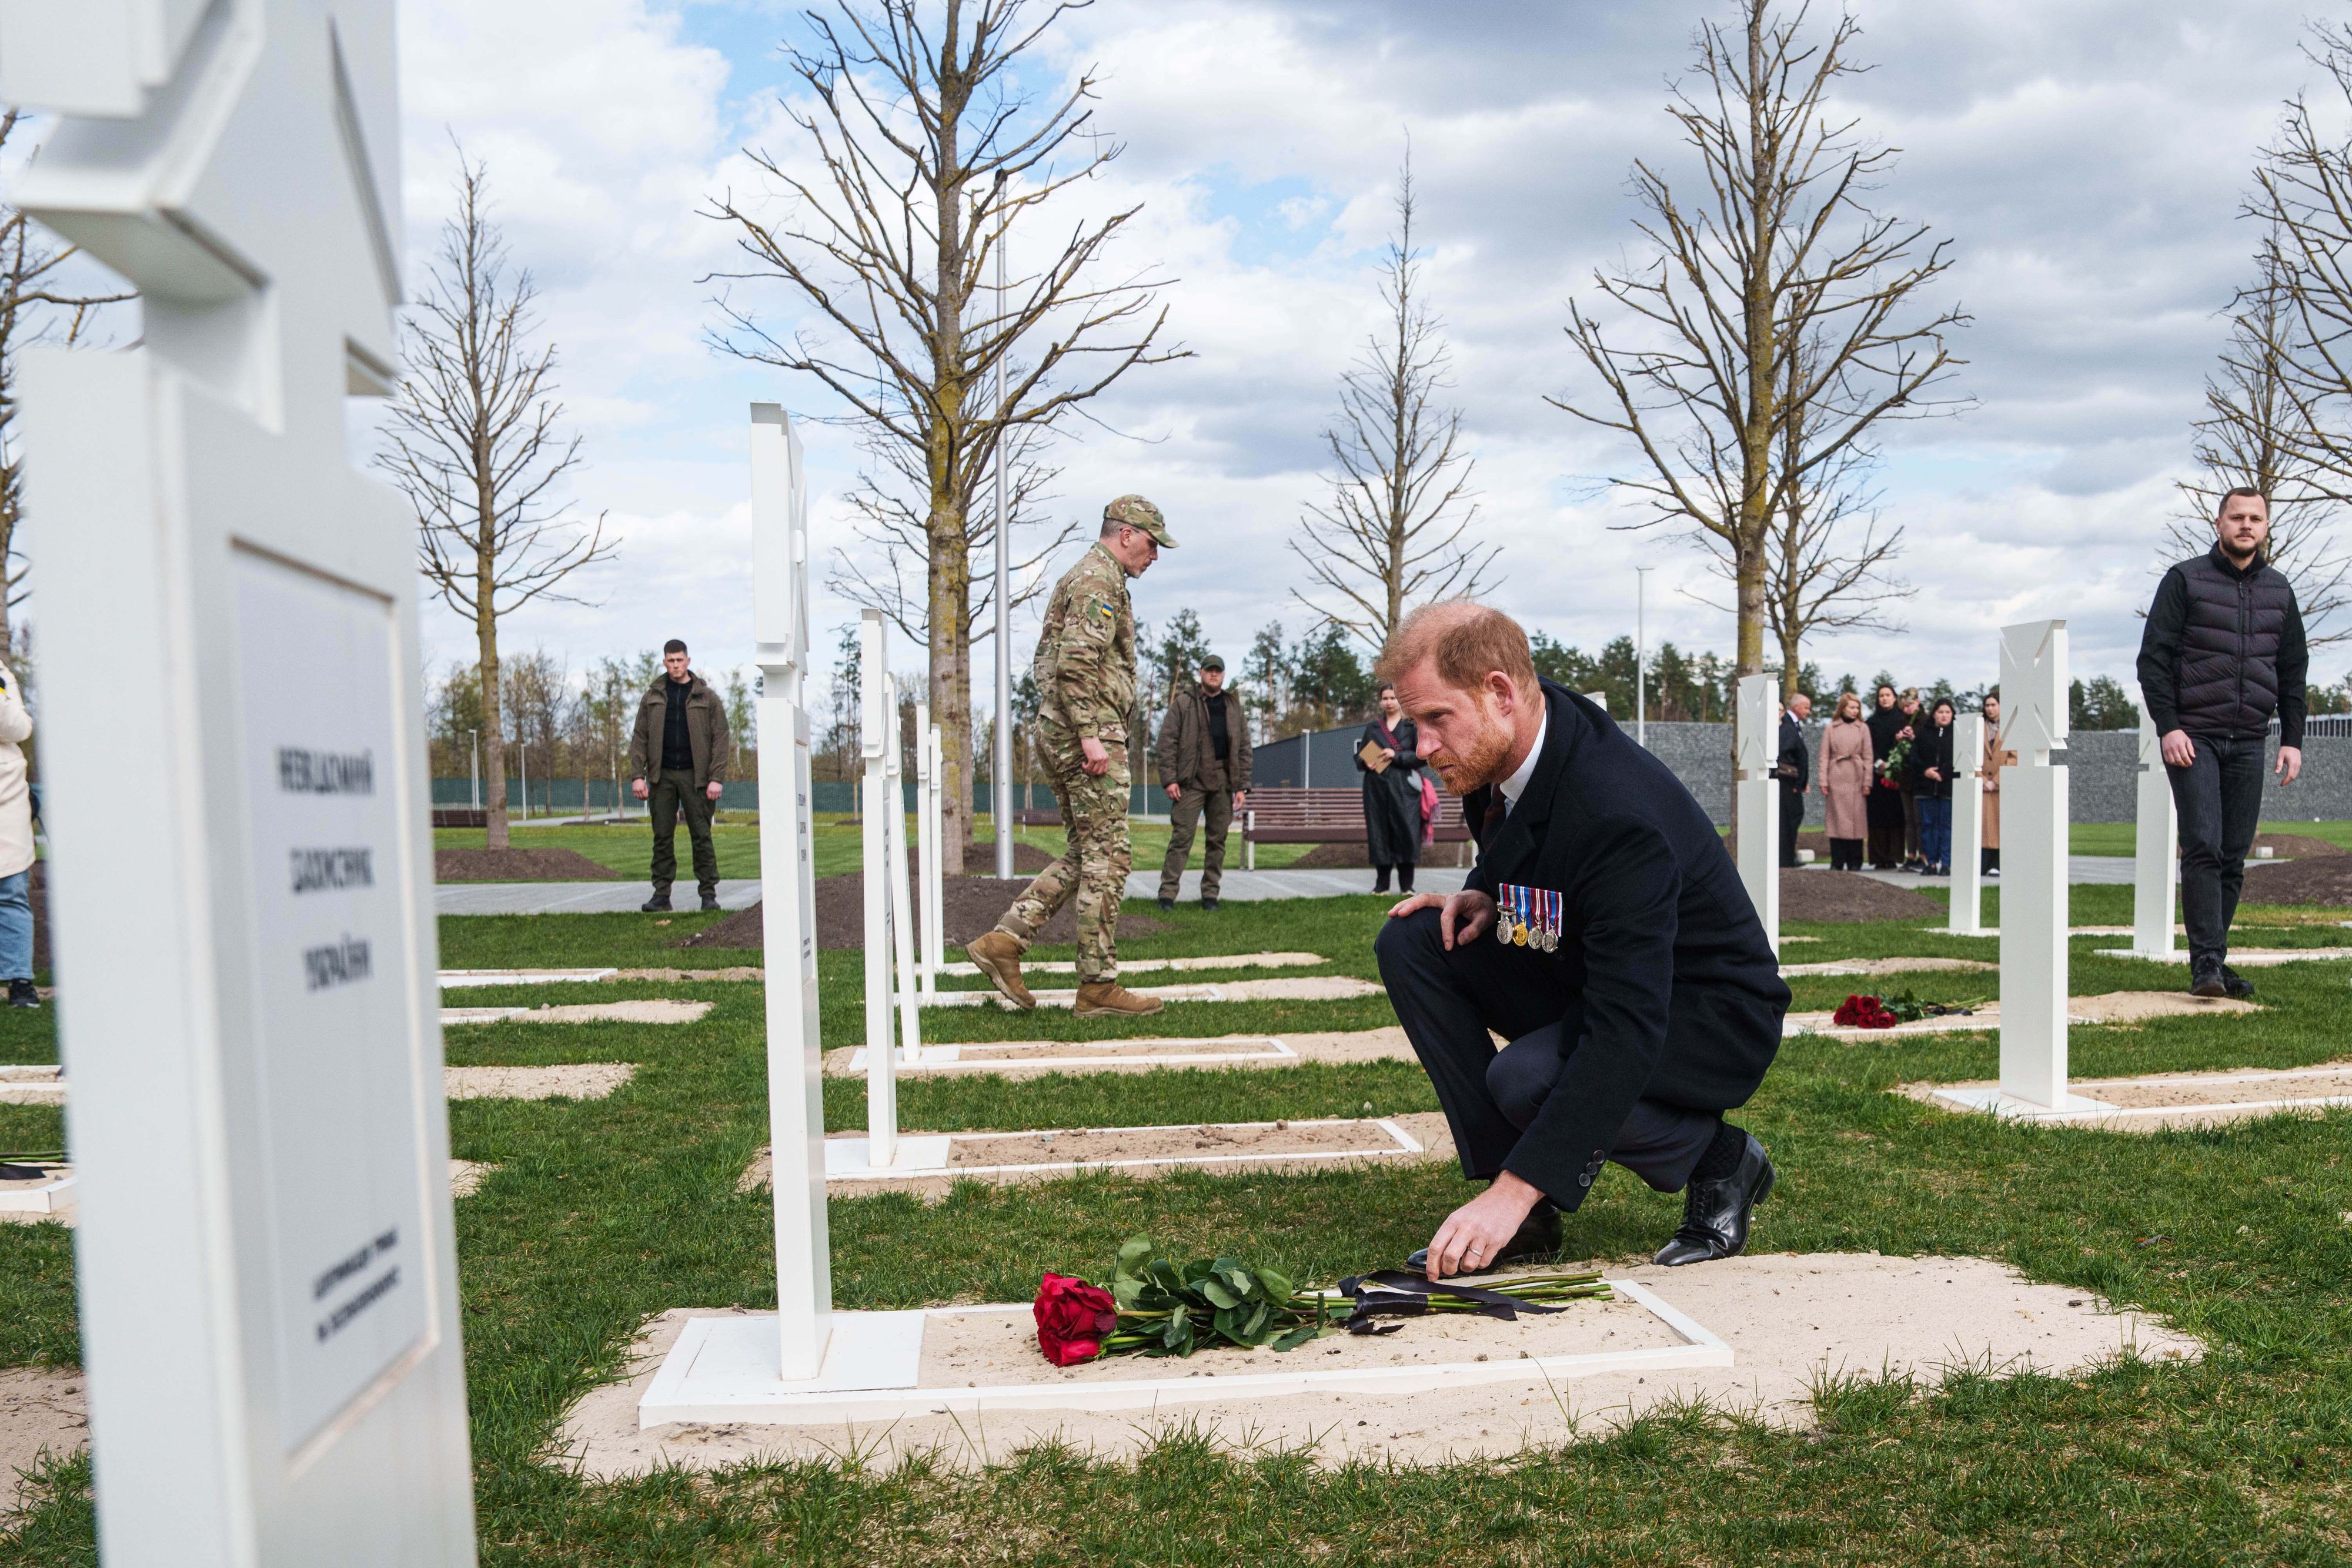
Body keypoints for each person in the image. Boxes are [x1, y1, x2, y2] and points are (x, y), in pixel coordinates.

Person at [1371, 601, 1787, 1278]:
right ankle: (1529, 1217)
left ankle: (1721, 1159)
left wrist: (1518, 1184)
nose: (1420, 748)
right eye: (1414, 723)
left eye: (1435, 719)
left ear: (1499, 692)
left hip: (1707, 1013)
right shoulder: (1505, 744)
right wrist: (1488, 887)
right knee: (1417, 941)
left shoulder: (1615, 812)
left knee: (1525, 1077)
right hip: (1590, 966)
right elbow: (1527, 837)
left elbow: (1625, 1023)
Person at [967, 496, 1177, 1018]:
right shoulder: (1097, 581)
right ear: (1125, 534)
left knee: (1091, 852)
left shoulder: (1092, 578)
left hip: (1070, 729)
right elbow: (1074, 663)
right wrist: (1089, 735)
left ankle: (1006, 941)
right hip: (1089, 735)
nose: (1155, 556)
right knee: (1111, 856)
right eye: (1152, 544)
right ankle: (1098, 986)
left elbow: (1051, 663)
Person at [2137, 486, 2307, 999]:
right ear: (2219, 523)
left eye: (2256, 518)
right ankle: (2205, 963)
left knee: (2233, 854)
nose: (2247, 525)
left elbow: (2293, 669)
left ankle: (2216, 958)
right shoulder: (2185, 580)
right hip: (2195, 737)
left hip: (2250, 739)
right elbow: (2153, 660)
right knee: (2204, 844)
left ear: (2266, 526)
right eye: (2238, 517)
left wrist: (2292, 738)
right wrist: (2169, 725)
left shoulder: (2280, 590)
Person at [629, 639, 731, 912]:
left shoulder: (706, 697)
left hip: (696, 778)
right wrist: (638, 775)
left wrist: (716, 777)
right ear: (665, 662)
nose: (675, 665)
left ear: (688, 661)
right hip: (661, 777)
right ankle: (661, 895)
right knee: (662, 837)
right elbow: (640, 737)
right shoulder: (653, 696)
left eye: (680, 660)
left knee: (701, 835)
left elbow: (721, 738)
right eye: (671, 660)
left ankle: (708, 895)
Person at [1154, 653, 1250, 912]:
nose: (1213, 674)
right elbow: (1167, 743)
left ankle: (1210, 895)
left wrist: (1241, 786)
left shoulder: (1233, 707)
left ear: (1223, 675)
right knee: (1181, 838)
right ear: (1201, 673)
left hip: (1223, 782)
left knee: (1217, 841)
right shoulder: (1184, 703)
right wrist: (1169, 780)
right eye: (1209, 670)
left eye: (1218, 671)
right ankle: (1167, 894)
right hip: (1190, 782)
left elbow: (1244, 749)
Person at [1357, 681, 1430, 894]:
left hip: (1405, 788)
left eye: (1393, 698)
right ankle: (1382, 886)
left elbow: (1421, 756)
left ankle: (1407, 886)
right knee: (1379, 831)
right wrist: (1365, 762)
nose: (1389, 702)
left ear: (1400, 700)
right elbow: (1360, 755)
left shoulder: (1412, 726)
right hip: (1376, 787)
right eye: (1385, 698)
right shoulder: (1373, 728)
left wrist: (1395, 755)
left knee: (1407, 832)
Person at [0, 658, 35, 1008]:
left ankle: (20, 980)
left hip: (6, 797)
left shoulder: (2, 674)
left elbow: (18, 728)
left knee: (10, 892)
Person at [1820, 691, 1873, 872]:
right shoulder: (1831, 728)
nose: (1854, 710)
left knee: (1857, 822)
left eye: (1857, 707)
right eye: (1851, 707)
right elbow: (1824, 757)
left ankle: (1855, 861)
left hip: (1857, 778)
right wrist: (1823, 781)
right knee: (1836, 821)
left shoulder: (1863, 728)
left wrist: (1868, 782)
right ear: (1843, 708)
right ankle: (1837, 861)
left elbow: (1868, 756)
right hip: (1837, 777)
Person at [1909, 697, 1957, 876]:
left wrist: (1943, 774)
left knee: (1946, 826)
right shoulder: (1923, 733)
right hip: (1926, 788)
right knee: (1928, 825)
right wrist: (1926, 771)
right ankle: (1930, 862)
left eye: (1947, 712)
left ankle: (1946, 862)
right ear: (1934, 714)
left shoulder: (1957, 734)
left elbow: (1956, 759)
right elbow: (1914, 758)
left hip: (1947, 788)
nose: (1944, 716)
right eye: (1940, 712)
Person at [1863, 684, 1910, 870]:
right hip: (1876, 775)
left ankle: (1893, 856)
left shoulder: (1902, 720)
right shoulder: (1871, 722)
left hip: (1896, 776)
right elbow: (1867, 748)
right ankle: (1879, 857)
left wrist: (1893, 765)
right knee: (1877, 818)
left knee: (1895, 817)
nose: (1884, 699)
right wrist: (1878, 764)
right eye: (1881, 696)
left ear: (1894, 698)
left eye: (1888, 695)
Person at [1776, 691, 1812, 867]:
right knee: (1788, 818)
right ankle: (1786, 858)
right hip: (1787, 782)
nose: (1809, 711)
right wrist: (1798, 781)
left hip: (1794, 782)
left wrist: (1804, 780)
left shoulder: (1792, 725)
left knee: (1793, 816)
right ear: (1796, 707)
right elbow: (1789, 753)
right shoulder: (1787, 727)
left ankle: (1788, 856)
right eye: (1806, 707)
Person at [1895, 687, 1927, 870]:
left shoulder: (1926, 720)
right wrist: (1898, 739)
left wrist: (1914, 738)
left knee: (1920, 818)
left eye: (1909, 705)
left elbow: (1928, 746)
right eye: (1904, 707)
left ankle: (1923, 855)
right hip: (1906, 776)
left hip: (1920, 777)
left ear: (1918, 702)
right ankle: (1911, 854)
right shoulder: (1901, 721)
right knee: (1909, 818)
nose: (1906, 709)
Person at [1980, 693, 2008, 878]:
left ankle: (1998, 863)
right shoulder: (1979, 729)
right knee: (1984, 827)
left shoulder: (2010, 729)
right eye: (1987, 705)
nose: (1990, 708)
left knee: (2000, 826)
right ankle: (1984, 863)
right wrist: (1982, 779)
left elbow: (2015, 758)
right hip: (1982, 787)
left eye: (1993, 705)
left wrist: (1996, 780)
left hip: (2002, 787)